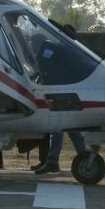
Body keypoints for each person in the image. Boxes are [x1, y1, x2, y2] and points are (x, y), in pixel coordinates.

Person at [33, 24, 84, 175]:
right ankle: (82, 157)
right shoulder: (77, 52)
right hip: (69, 93)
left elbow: (47, 66)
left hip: (61, 93)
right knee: (72, 129)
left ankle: (53, 161)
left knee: (57, 128)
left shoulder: (62, 51)